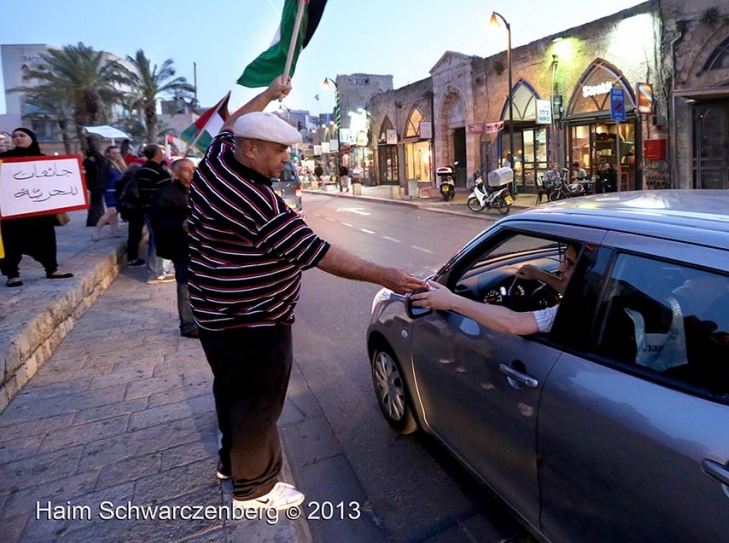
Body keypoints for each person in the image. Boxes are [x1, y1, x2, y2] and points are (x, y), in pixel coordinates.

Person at [188, 76, 423, 512]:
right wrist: (385, 275)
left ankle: (230, 463)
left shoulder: (217, 160)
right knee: (259, 403)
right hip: (252, 321)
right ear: (251, 149)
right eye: (278, 151)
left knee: (232, 391)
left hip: (214, 314)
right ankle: (254, 489)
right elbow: (319, 253)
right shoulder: (253, 200)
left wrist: (271, 94)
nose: (285, 159)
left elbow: (233, 121)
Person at [412, 243, 580, 335]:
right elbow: (568, 289)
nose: (561, 268)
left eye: (571, 264)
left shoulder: (575, 311)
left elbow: (514, 323)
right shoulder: (594, 295)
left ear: (590, 272)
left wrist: (452, 301)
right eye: (563, 259)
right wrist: (538, 274)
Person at [0, 128, 74, 286]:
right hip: (12, 212)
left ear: (31, 138)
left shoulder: (43, 160)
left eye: (22, 135)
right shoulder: (4, 158)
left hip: (39, 211)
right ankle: (12, 275)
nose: (18, 138)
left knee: (46, 239)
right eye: (15, 136)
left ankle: (51, 269)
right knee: (10, 242)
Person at [149, 158, 198, 337]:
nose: (191, 173)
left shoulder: (197, 191)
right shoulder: (166, 194)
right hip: (181, 246)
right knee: (185, 283)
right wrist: (180, 225)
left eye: (193, 169)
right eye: (186, 170)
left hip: (198, 245)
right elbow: (158, 222)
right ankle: (188, 324)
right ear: (176, 174)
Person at [135, 143, 172, 280]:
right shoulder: (158, 172)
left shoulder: (142, 170)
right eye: (161, 152)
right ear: (157, 154)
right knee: (157, 241)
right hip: (158, 211)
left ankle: (160, 269)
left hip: (146, 208)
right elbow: (166, 191)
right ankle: (155, 273)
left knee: (156, 239)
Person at [93, 146, 127, 240]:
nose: (116, 155)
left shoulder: (120, 165)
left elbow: (124, 151)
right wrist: (88, 139)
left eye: (117, 153)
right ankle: (96, 231)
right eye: (114, 153)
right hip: (110, 190)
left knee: (114, 213)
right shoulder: (106, 164)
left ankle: (113, 231)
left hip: (118, 190)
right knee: (111, 211)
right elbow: (95, 152)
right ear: (108, 154)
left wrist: (126, 142)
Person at [83, 137, 109, 226]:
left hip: (94, 184)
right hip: (94, 185)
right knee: (96, 203)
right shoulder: (90, 163)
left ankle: (98, 218)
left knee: (97, 203)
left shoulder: (88, 162)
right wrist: (89, 139)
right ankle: (94, 220)